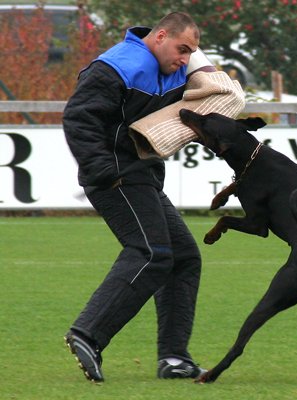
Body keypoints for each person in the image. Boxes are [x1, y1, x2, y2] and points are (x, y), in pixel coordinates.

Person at [62, 12, 216, 383]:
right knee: (152, 253)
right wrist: (104, 171)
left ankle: (174, 359)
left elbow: (219, 87)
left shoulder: (177, 67)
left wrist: (201, 63)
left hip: (142, 177)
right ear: (159, 35)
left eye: (190, 52)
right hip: (115, 177)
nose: (185, 58)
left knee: (182, 257)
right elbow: (78, 118)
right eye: (181, 49)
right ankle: (87, 334)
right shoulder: (118, 65)